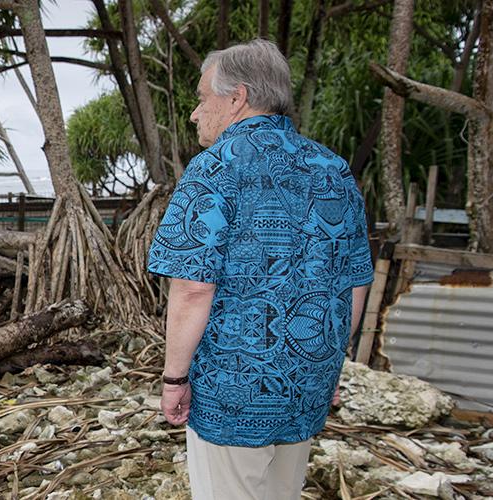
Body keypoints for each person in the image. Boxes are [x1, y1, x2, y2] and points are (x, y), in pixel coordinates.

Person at [147, 39, 374, 499]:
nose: (194, 113)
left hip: (234, 389)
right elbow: (355, 279)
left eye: (201, 98)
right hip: (307, 378)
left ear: (237, 98)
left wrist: (174, 378)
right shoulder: (332, 169)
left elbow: (192, 288)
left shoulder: (214, 170)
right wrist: (331, 365)